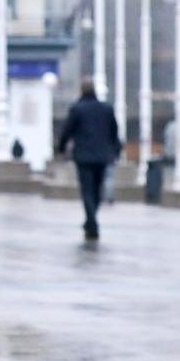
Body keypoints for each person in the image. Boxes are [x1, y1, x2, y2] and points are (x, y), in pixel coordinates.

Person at [57, 78, 121, 241]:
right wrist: (116, 151)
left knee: (87, 190)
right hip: (102, 156)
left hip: (84, 157)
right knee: (97, 190)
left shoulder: (77, 109)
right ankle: (91, 221)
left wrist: (61, 148)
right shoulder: (106, 109)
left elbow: (67, 131)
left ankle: (91, 223)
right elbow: (114, 132)